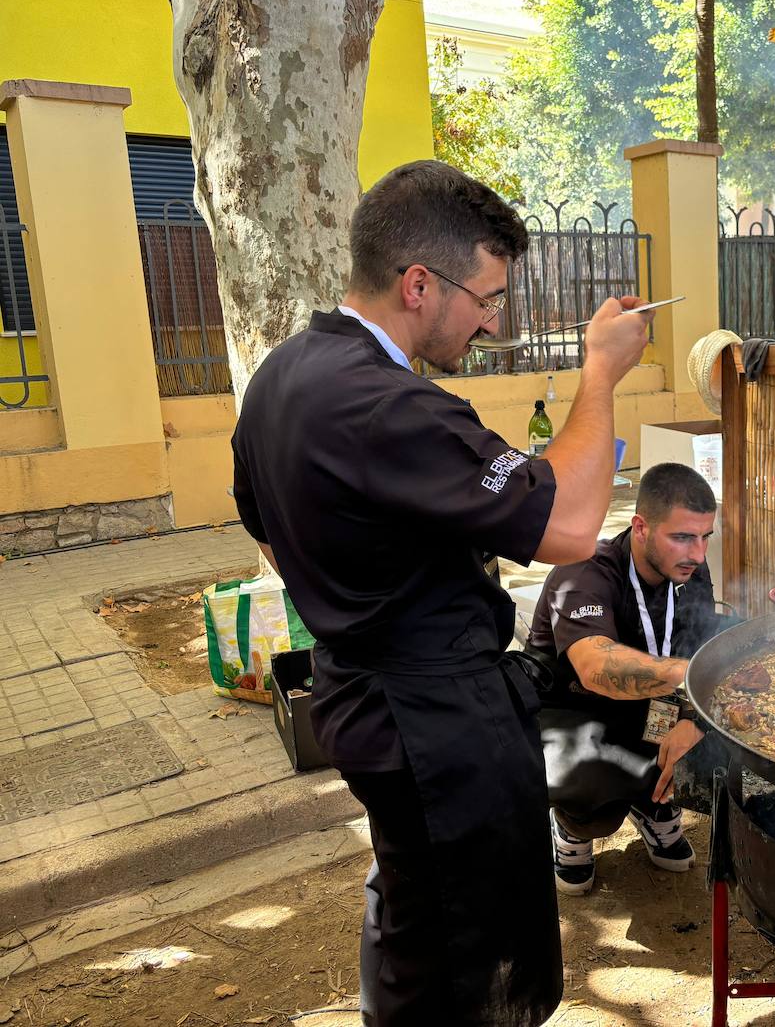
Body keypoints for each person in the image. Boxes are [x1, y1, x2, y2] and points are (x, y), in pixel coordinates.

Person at [230, 161, 653, 1027]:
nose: (493, 319)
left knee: (414, 912)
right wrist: (600, 376)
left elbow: (264, 527)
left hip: (362, 695)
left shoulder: (283, 374)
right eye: (486, 296)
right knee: (473, 953)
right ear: (418, 283)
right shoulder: (389, 408)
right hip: (437, 725)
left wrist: (358, 589)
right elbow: (571, 526)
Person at [523, 463, 722, 895]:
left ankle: (653, 806)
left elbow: (694, 643)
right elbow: (598, 669)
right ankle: (575, 827)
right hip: (571, 713)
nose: (699, 554)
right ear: (641, 527)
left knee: (723, 736)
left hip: (650, 704)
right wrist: (696, 679)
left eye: (706, 537)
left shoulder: (690, 572)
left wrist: (693, 718)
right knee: (591, 783)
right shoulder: (582, 571)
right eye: (683, 537)